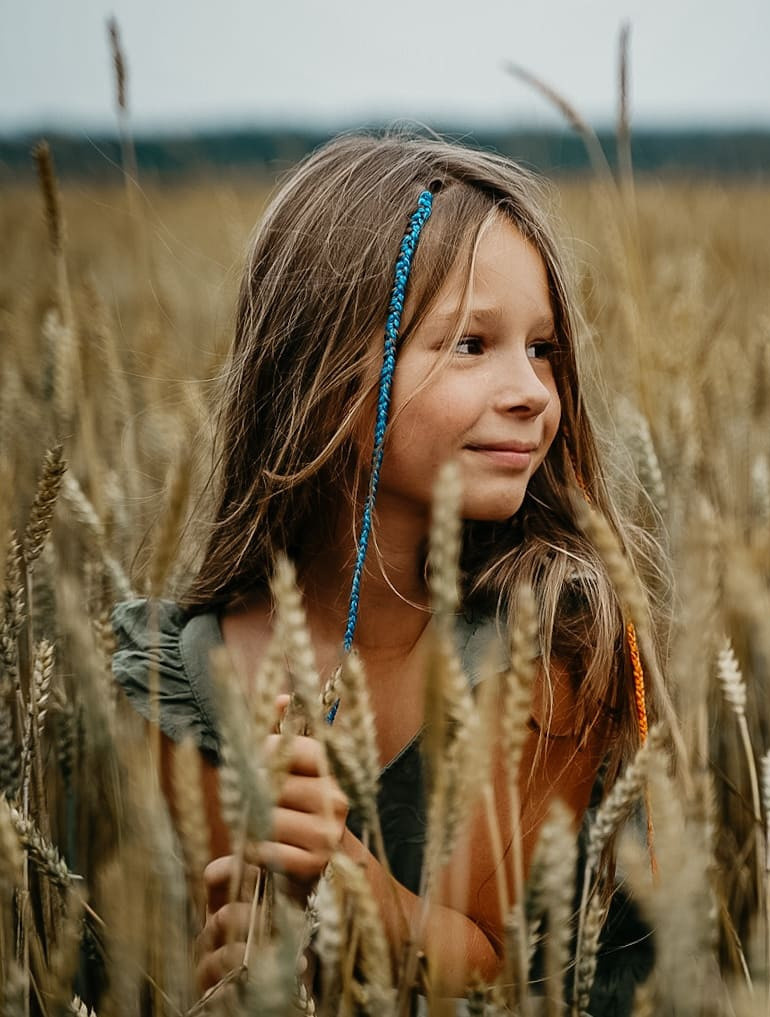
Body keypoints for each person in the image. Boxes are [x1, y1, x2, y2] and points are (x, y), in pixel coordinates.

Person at [111, 131, 667, 1015]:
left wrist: (353, 892)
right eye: (471, 344)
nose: (531, 389)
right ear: (325, 371)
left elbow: (516, 977)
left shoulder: (549, 650)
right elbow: (117, 950)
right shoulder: (177, 680)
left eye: (543, 349)